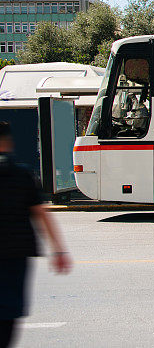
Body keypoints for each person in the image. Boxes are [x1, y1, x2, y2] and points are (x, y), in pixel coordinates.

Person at [0, 121, 71, 347]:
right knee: (8, 313)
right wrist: (58, 250)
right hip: (16, 255)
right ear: (8, 142)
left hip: (15, 255)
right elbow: (42, 215)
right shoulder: (22, 175)